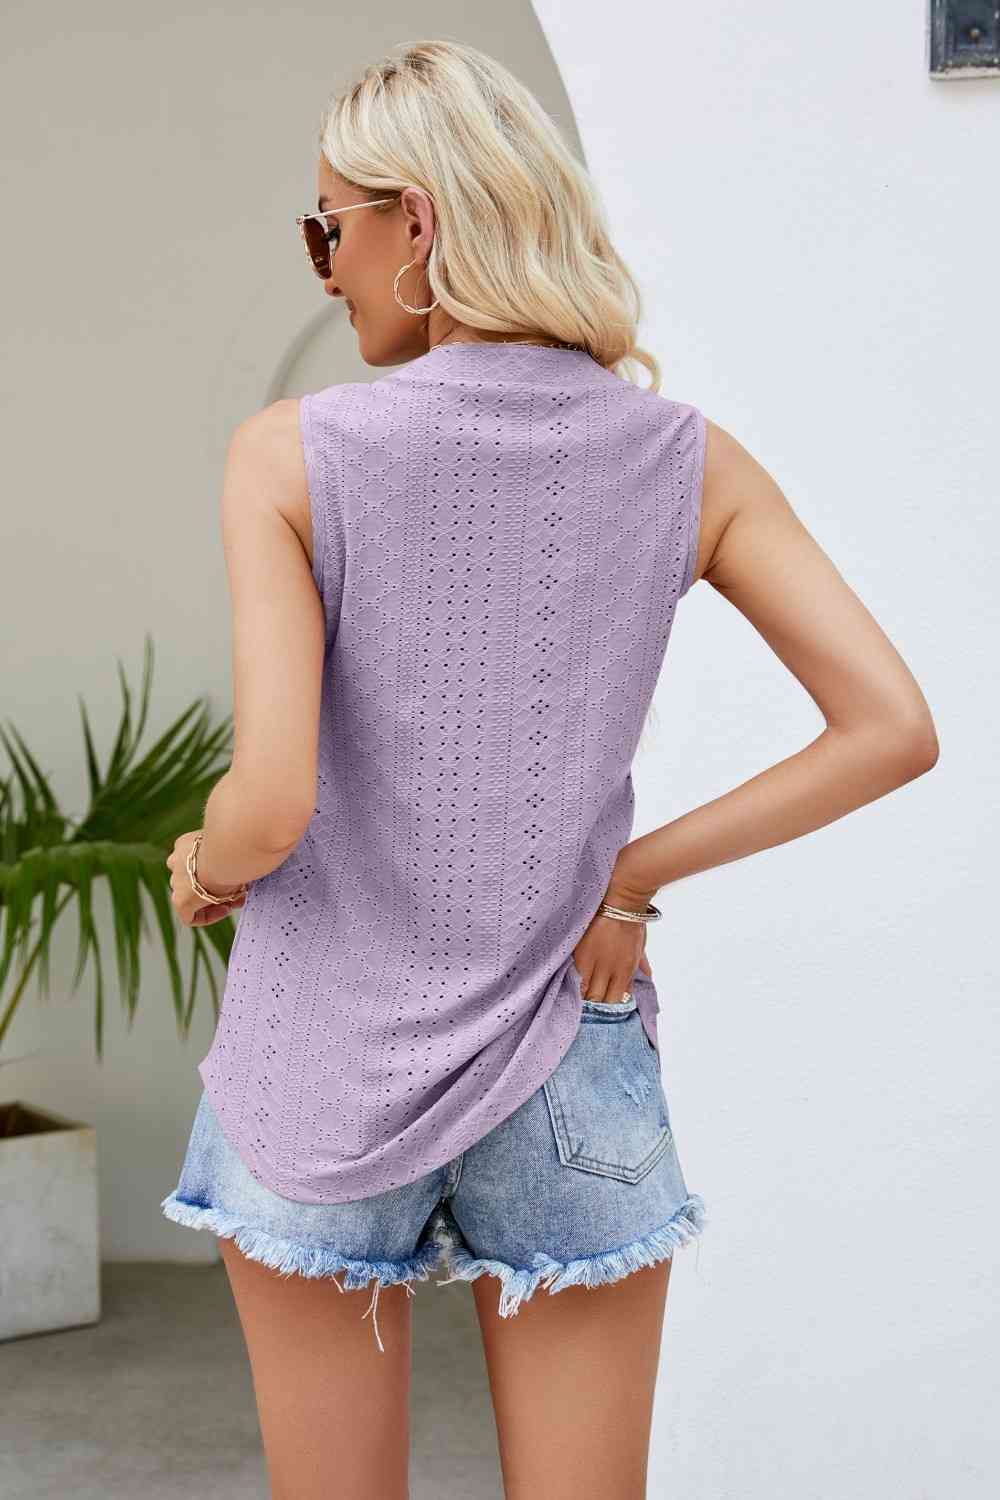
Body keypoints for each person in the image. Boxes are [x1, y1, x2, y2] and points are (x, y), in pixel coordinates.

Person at [160, 38, 939, 1500]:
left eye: (330, 228)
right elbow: (892, 723)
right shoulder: (688, 460)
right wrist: (631, 877)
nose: (324, 269)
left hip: (320, 1064)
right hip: (568, 1052)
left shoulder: (288, 455)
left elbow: (271, 805)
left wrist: (202, 861)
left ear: (417, 225)